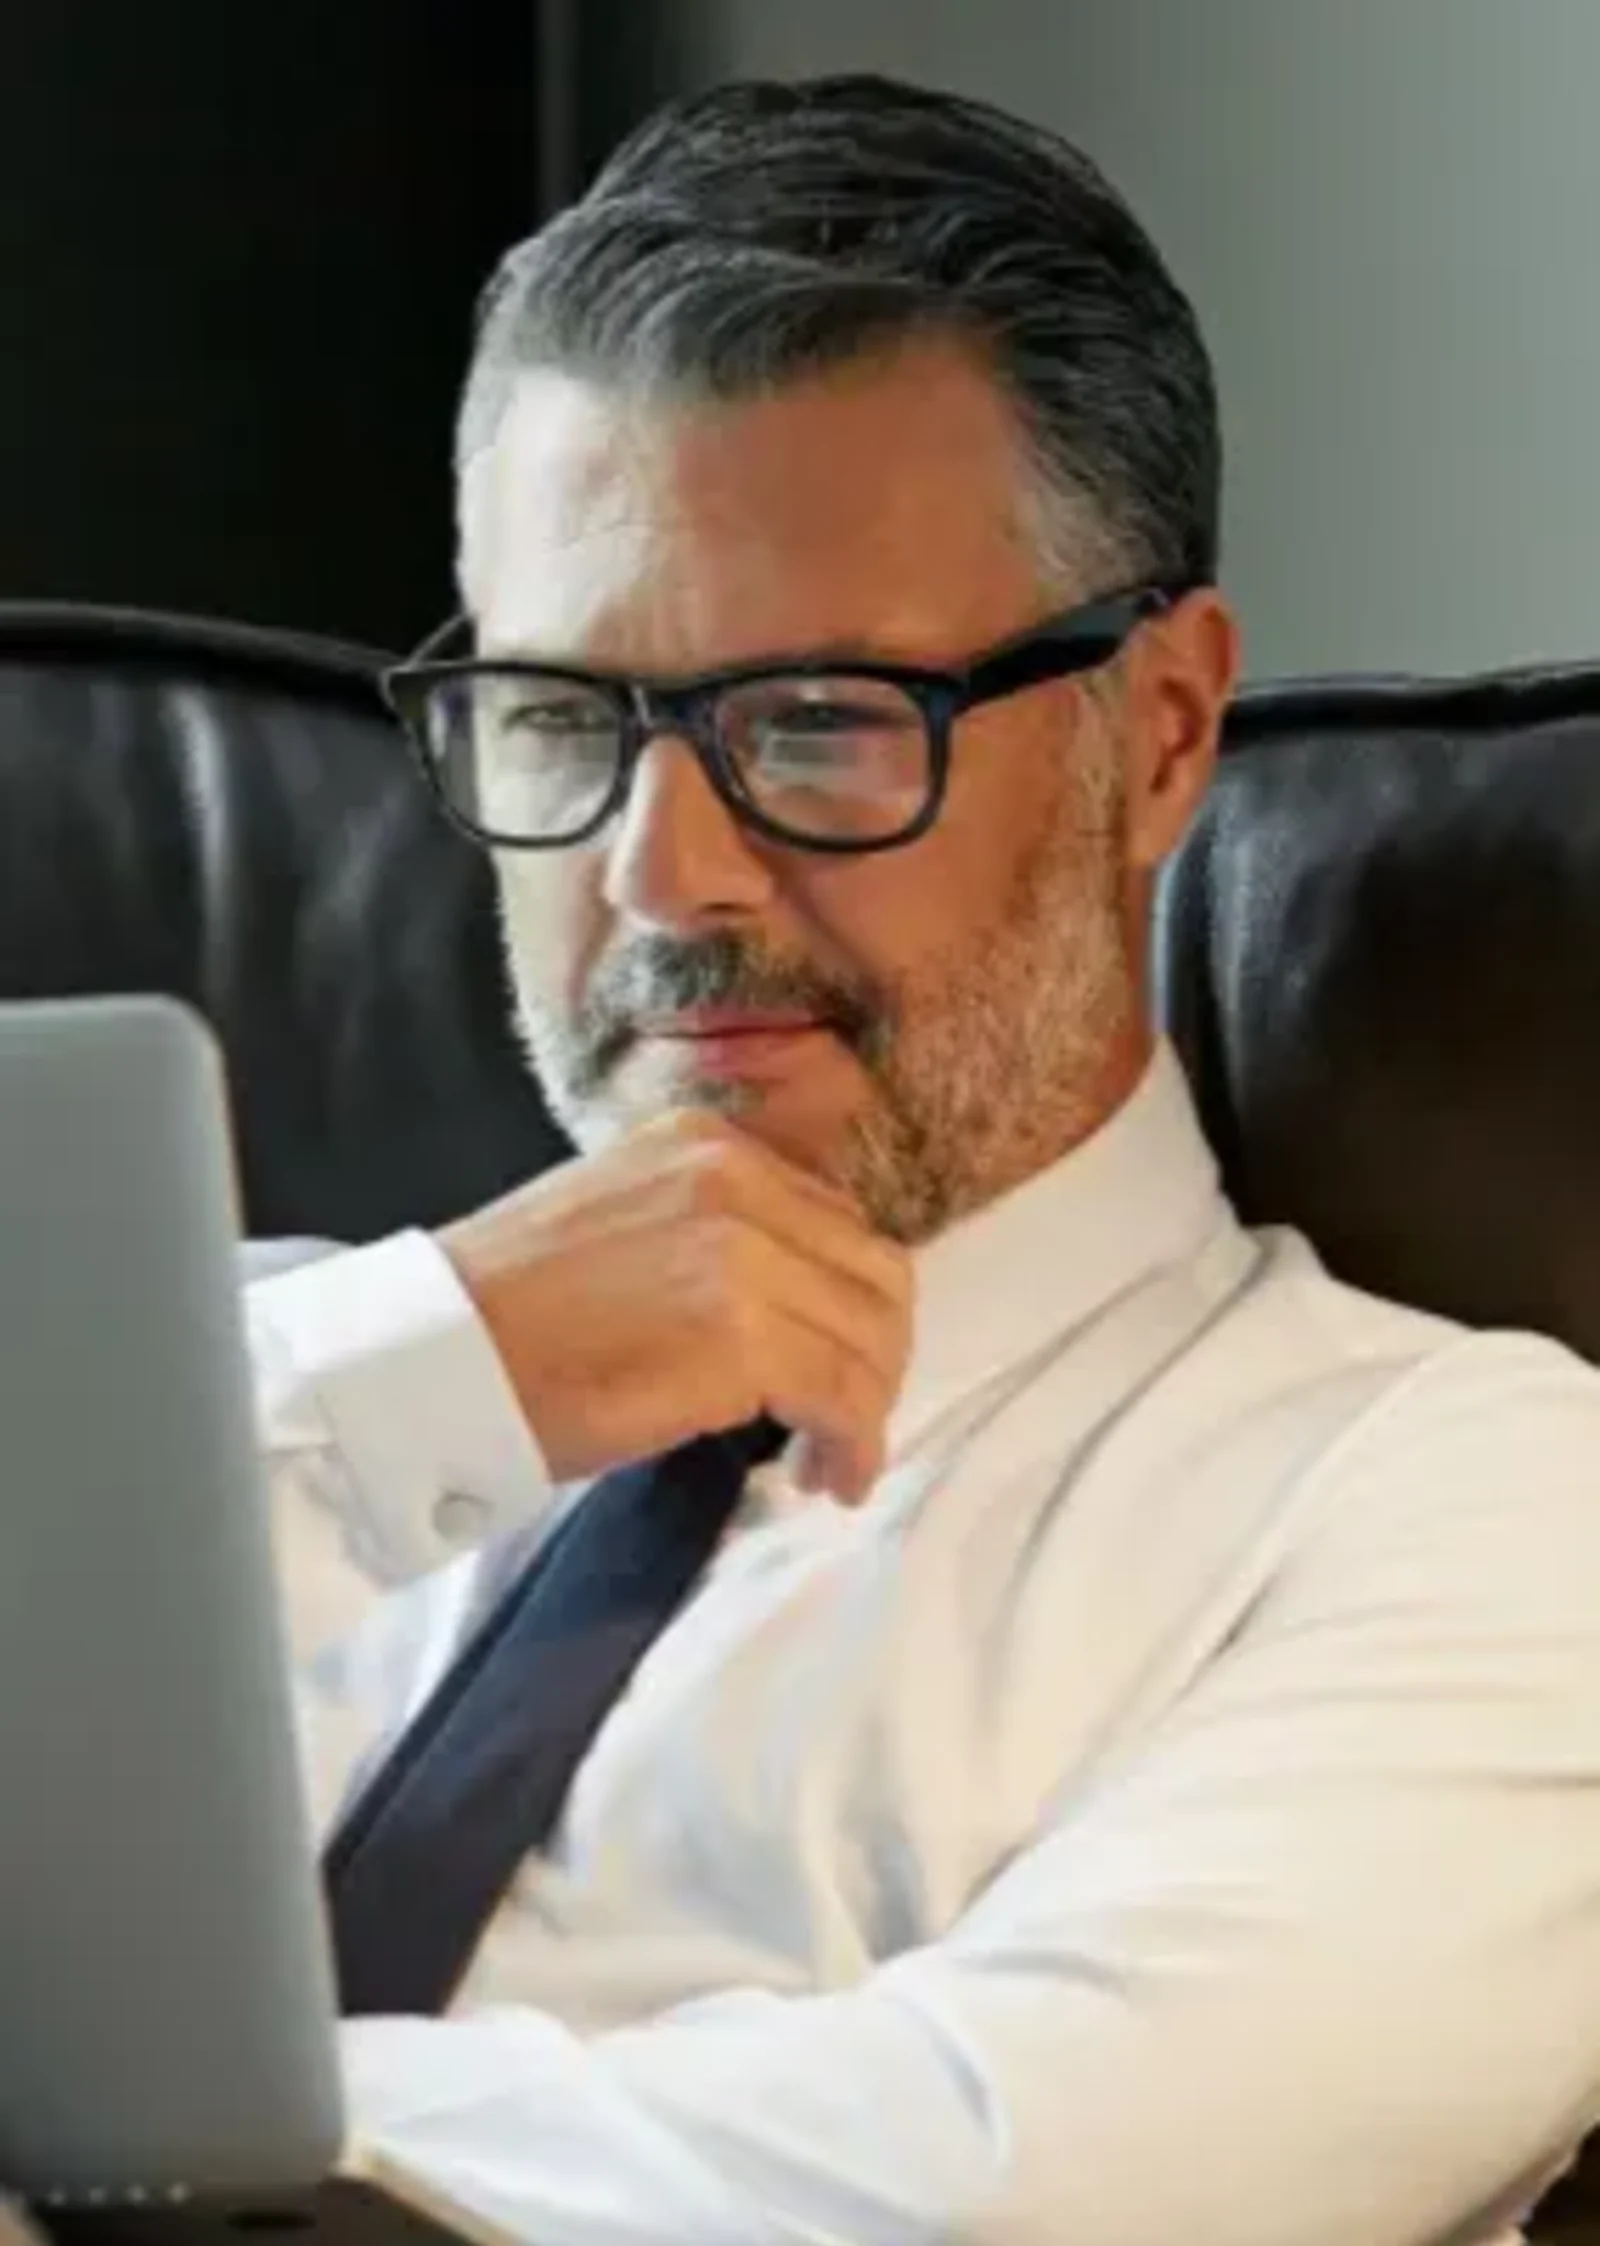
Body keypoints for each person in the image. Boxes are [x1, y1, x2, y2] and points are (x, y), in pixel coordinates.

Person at [246, 74, 1600, 2246]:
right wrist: (388, 1388)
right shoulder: (246, 1381)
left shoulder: (1468, 1506)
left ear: (1155, 734)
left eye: (812, 721)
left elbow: (1003, 2187)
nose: (659, 875)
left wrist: (123, 2153)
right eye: (557, 720)